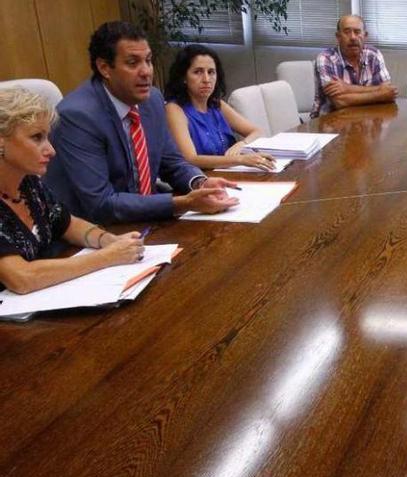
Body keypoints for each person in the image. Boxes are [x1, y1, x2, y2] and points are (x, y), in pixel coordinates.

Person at [44, 21, 238, 225]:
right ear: (104, 68)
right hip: (92, 233)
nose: (146, 72)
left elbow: (172, 162)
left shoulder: (152, 99)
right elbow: (101, 204)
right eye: (132, 63)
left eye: (148, 60)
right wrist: (181, 204)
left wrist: (200, 183)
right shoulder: (78, 116)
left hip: (146, 220)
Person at [0, 88, 144, 294]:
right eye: (36, 137)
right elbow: (21, 278)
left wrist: (108, 240)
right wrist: (107, 257)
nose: (51, 150)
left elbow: (66, 223)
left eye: (47, 137)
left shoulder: (29, 183)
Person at [164, 44, 276, 171]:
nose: (206, 79)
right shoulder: (174, 109)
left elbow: (257, 132)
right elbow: (191, 159)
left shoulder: (217, 104)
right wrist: (240, 159)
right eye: (198, 72)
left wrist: (241, 144)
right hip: (201, 180)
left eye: (211, 72)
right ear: (183, 77)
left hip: (230, 174)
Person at [311, 15, 398, 118]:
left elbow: (389, 92)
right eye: (347, 32)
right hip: (328, 125)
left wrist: (347, 88)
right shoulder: (326, 59)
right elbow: (340, 102)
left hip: (364, 119)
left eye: (357, 32)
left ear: (365, 36)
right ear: (338, 37)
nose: (352, 37)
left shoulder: (373, 55)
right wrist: (379, 93)